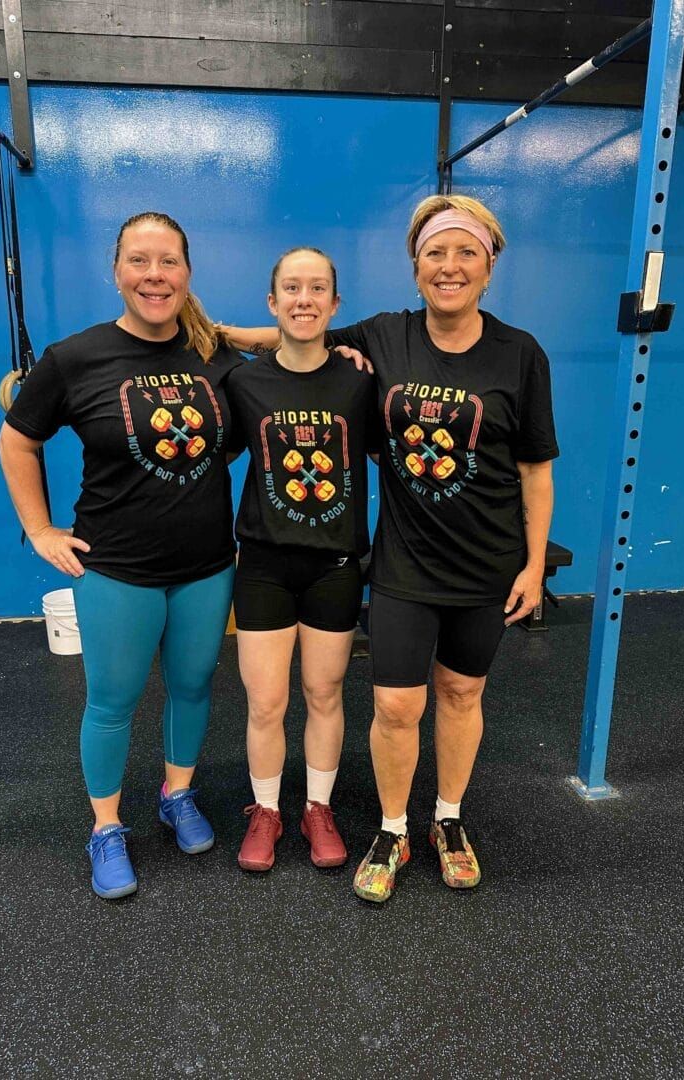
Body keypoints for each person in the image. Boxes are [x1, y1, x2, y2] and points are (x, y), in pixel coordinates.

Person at [218, 195, 559, 902]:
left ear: (489, 267)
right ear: (416, 267)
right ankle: (394, 827)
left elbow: (534, 469)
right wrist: (213, 332)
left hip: (487, 565)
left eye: (466, 252)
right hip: (403, 563)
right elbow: (296, 336)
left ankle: (450, 820)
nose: (450, 266)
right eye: (436, 253)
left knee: (462, 693)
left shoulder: (520, 353)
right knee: (398, 708)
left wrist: (531, 564)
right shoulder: (384, 336)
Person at [0, 211, 243, 900]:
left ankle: (178, 794)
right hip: (117, 568)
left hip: (206, 565)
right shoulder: (75, 358)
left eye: (168, 261)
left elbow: (282, 371)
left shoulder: (215, 355)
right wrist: (40, 529)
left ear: (187, 273)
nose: (154, 275)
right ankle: (106, 828)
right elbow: (17, 440)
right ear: (117, 271)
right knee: (112, 702)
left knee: (194, 686)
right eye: (140, 260)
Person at [225, 248, 379, 872]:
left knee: (324, 691)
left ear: (335, 305)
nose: (304, 298)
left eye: (318, 288)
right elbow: (202, 456)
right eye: (292, 287)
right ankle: (266, 810)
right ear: (273, 302)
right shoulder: (244, 382)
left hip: (335, 565)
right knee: (265, 702)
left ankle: (318, 807)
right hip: (263, 563)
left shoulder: (361, 381)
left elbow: (390, 459)